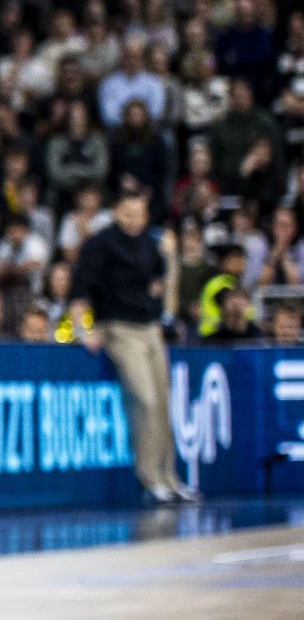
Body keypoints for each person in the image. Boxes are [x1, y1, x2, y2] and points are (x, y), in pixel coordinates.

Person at [70, 188, 190, 504]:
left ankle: (169, 478)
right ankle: (150, 480)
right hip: (118, 328)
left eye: (140, 214)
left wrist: (170, 260)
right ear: (116, 212)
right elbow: (79, 290)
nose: (135, 220)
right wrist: (83, 330)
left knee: (162, 403)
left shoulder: (151, 244)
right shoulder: (99, 244)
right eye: (128, 213)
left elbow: (163, 285)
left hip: (150, 328)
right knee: (144, 399)